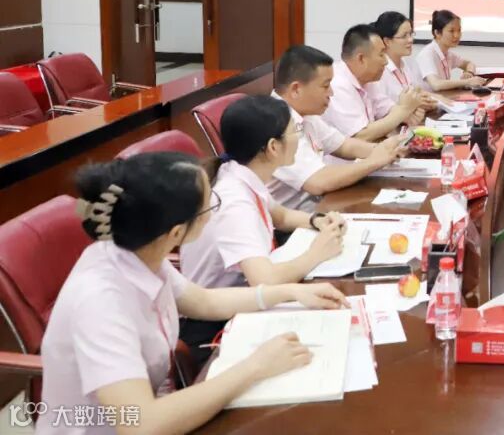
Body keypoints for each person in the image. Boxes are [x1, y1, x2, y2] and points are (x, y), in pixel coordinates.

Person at [39, 152, 347, 435]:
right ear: (176, 233)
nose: (214, 212)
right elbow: (142, 424)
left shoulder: (139, 251)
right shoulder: (100, 302)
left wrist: (290, 292)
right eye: (209, 205)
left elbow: (204, 301)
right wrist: (255, 367)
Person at [180, 96, 350, 367]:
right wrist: (315, 254)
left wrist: (316, 220)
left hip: (245, 300)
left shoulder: (241, 173)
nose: (299, 139)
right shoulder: (234, 201)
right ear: (273, 147)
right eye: (295, 132)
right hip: (215, 325)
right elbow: (265, 280)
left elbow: (280, 216)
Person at [269, 45, 406, 212]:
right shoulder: (276, 123)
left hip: (318, 209)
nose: (331, 93)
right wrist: (374, 161)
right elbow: (318, 181)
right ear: (296, 89)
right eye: (325, 86)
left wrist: (384, 149)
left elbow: (344, 145)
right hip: (293, 222)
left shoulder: (306, 114)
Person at [322, 23, 427, 140]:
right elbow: (360, 135)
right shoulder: (338, 84)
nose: (386, 61)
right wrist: (404, 110)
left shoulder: (367, 80)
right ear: (361, 58)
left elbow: (385, 107)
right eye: (381, 54)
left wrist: (408, 114)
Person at [371, 11, 442, 113]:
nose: (410, 40)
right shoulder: (380, 71)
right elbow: (380, 110)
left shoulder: (405, 63)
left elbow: (417, 92)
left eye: (411, 34)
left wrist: (435, 100)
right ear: (387, 41)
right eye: (404, 36)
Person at [415, 9, 486, 92]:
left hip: (442, 98)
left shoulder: (448, 54)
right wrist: (467, 82)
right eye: (451, 31)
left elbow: (469, 63)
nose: (457, 35)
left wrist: (469, 73)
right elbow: (436, 85)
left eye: (459, 30)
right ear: (437, 33)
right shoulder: (427, 54)